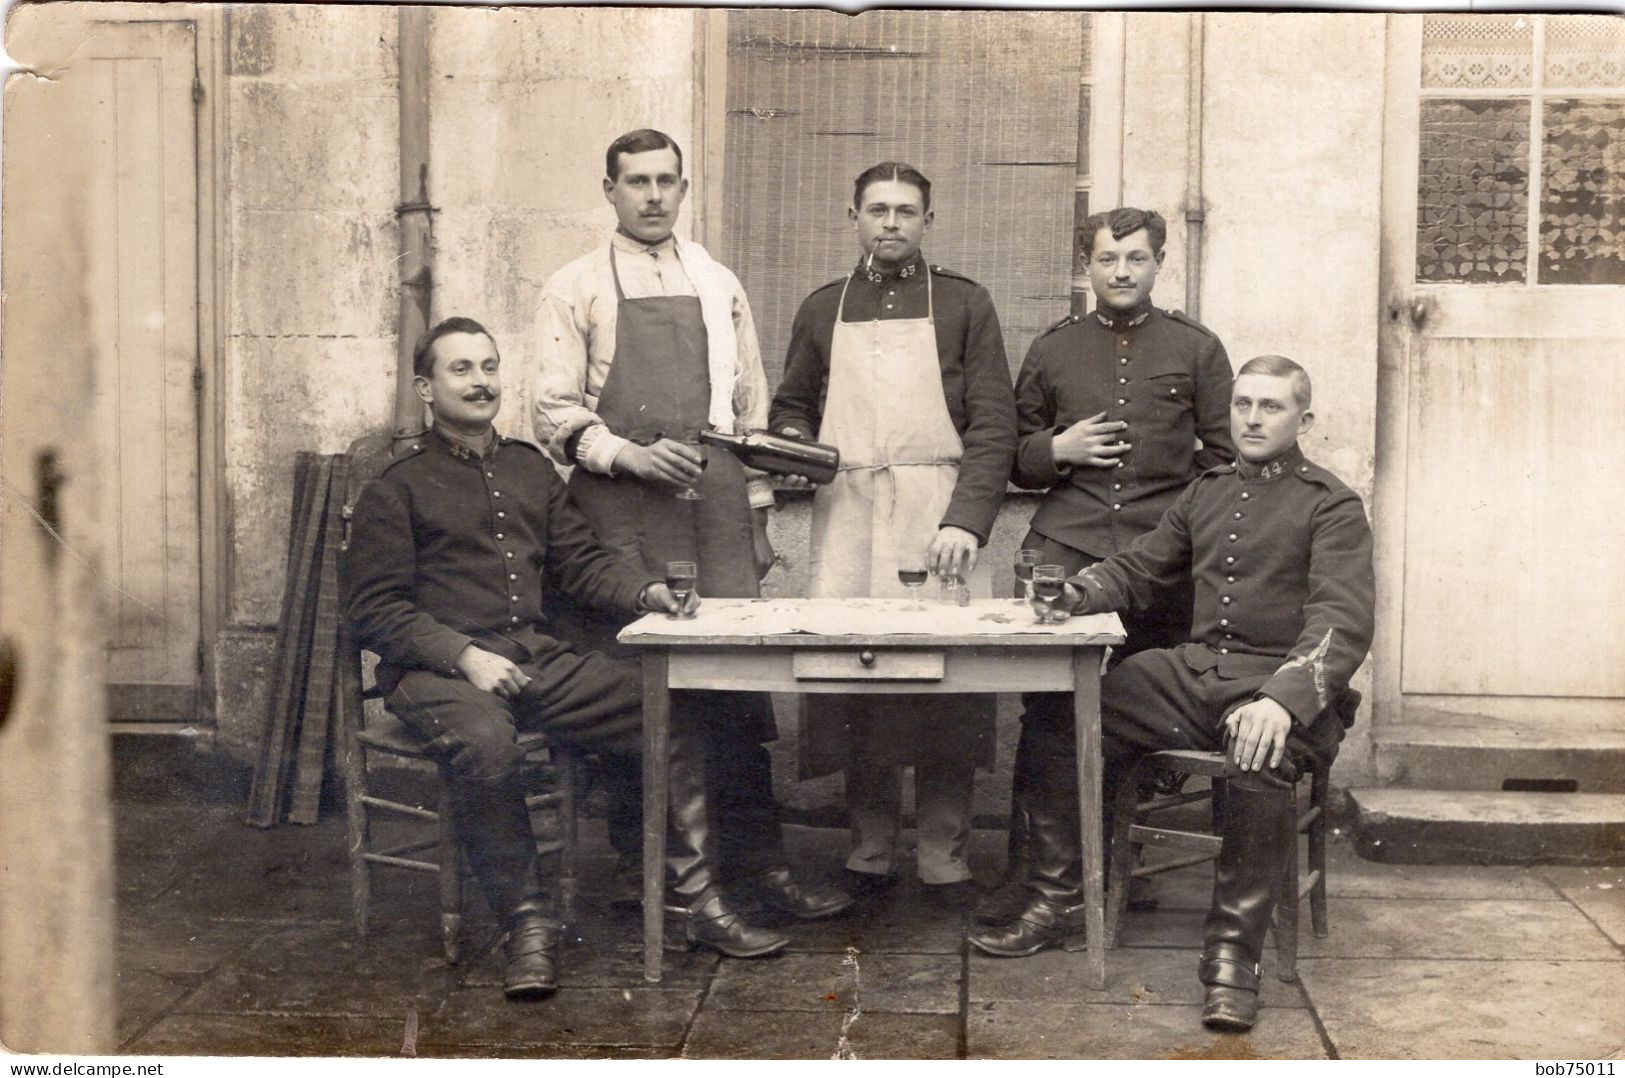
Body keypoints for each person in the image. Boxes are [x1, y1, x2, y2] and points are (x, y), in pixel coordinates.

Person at [343, 317, 793, 1001]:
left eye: (488, 366)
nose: (480, 381)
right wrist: (462, 654)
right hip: (437, 674)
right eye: (459, 369)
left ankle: (690, 903)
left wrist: (642, 591)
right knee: (490, 745)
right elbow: (375, 610)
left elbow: (581, 565)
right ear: (425, 389)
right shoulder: (396, 487)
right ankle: (528, 928)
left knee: (665, 709)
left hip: (534, 659)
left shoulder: (528, 469)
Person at [967, 355, 1374, 1034]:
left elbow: (1340, 621)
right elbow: (1140, 567)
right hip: (1195, 674)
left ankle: (1230, 958)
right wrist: (1078, 592)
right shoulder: (1207, 489)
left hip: (1280, 685)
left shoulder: (1330, 505)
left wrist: (1280, 699)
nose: (1250, 418)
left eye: (1269, 407)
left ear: (1303, 420)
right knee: (1069, 714)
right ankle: (1062, 897)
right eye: (1241, 404)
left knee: (1256, 752)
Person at [535, 129, 851, 923]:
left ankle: (759, 868)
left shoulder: (717, 281)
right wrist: (627, 458)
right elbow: (550, 411)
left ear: (683, 188)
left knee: (734, 693)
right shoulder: (572, 288)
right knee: (647, 696)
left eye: (665, 181)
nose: (652, 196)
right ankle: (656, 878)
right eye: (635, 181)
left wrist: (752, 520)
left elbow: (748, 409)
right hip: (617, 516)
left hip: (711, 506)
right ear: (608, 190)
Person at [979, 207, 1236, 926]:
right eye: (1105, 259)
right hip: (1064, 548)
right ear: (1083, 268)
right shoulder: (1055, 348)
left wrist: (1176, 521)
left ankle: (1117, 871)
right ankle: (1033, 876)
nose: (1120, 272)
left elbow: (1223, 461)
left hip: (1160, 562)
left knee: (1132, 710)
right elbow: (1010, 452)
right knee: (1048, 713)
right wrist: (1055, 451)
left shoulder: (1195, 348)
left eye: (1135, 259)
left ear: (1158, 264)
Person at [770, 163, 1017, 906]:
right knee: (855, 683)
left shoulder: (966, 305)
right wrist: (791, 443)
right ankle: (869, 848)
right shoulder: (820, 310)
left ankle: (944, 853)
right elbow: (790, 406)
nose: (890, 223)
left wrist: (964, 521)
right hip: (847, 513)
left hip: (935, 510)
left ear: (926, 221)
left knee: (945, 684)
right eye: (876, 209)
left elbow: (994, 426)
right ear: (852, 215)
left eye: (906, 211)